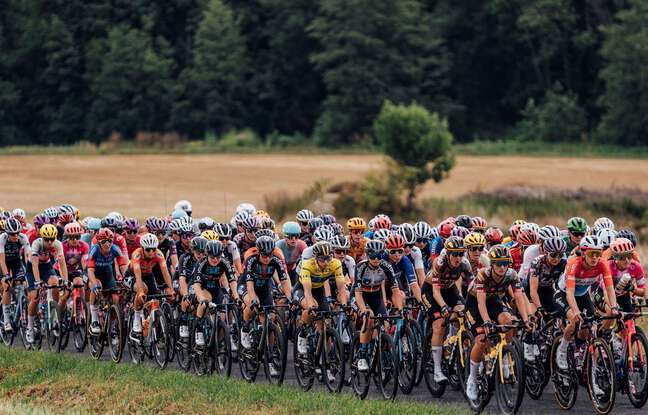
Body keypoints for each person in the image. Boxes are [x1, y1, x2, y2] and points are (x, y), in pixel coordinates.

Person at [465, 245, 531, 401]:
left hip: (494, 300)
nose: (502, 267)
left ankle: (504, 356)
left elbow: (519, 298)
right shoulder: (483, 275)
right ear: (492, 264)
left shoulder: (512, 274)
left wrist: (526, 319)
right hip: (474, 303)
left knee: (509, 322)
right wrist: (487, 321)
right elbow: (481, 303)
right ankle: (472, 379)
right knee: (481, 340)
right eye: (498, 264)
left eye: (505, 264)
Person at [553, 236, 619, 371]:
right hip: (563, 294)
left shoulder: (602, 264)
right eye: (591, 254)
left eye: (598, 254)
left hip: (582, 295)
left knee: (588, 326)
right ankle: (563, 348)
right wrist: (576, 312)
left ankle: (581, 350)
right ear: (583, 253)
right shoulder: (574, 264)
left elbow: (609, 288)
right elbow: (569, 293)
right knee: (574, 320)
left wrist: (613, 307)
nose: (595, 258)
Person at [421, 236, 472, 383]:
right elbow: (436, 292)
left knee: (463, 313)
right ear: (448, 254)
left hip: (449, 289)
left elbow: (473, 285)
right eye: (455, 254)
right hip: (431, 291)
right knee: (439, 323)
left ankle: (453, 342)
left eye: (461, 253)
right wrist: (443, 307)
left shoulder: (465, 264)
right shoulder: (439, 263)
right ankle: (437, 370)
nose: (458, 257)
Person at [294, 241, 348, 354]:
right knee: (312, 307)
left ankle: (323, 354)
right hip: (302, 290)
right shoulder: (307, 265)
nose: (326, 262)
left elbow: (342, 288)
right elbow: (307, 292)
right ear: (316, 258)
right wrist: (311, 306)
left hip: (319, 290)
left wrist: (344, 306)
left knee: (325, 323)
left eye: (328, 258)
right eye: (322, 259)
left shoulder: (336, 263)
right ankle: (302, 335)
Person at [353, 240, 399, 371]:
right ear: (367, 255)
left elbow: (395, 291)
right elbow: (358, 295)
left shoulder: (386, 266)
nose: (376, 259)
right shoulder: (361, 267)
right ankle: (361, 355)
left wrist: (400, 309)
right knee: (369, 318)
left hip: (376, 297)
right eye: (373, 256)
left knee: (385, 324)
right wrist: (364, 310)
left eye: (379, 256)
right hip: (361, 296)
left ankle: (378, 352)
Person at [239, 236, 292, 350]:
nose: (267, 258)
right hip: (246, 286)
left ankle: (270, 351)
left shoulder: (276, 260)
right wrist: (253, 298)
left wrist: (290, 299)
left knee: (270, 318)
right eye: (264, 255)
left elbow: (284, 281)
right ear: (258, 252)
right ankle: (245, 327)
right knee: (252, 304)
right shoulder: (251, 260)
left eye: (270, 255)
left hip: (263, 288)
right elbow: (249, 284)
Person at [25, 224, 69, 343]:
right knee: (35, 297)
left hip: (46, 266)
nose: (50, 242)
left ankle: (54, 316)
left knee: (55, 283)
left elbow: (62, 263)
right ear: (42, 237)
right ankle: (29, 327)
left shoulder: (57, 244)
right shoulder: (36, 244)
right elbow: (34, 265)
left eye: (52, 239)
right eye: (47, 239)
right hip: (32, 269)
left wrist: (65, 280)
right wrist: (38, 282)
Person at [128, 233, 175, 339]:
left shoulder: (158, 254)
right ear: (142, 248)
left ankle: (149, 322)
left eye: (153, 249)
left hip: (148, 275)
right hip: (133, 275)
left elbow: (165, 273)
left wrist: (171, 290)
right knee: (143, 289)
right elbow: (138, 275)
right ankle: (136, 321)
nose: (151, 252)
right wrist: (140, 292)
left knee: (156, 301)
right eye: (148, 250)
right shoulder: (137, 254)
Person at [191, 240, 237, 346]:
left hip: (215, 288)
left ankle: (218, 344)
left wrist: (236, 296)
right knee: (205, 300)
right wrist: (201, 298)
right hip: (201, 287)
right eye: (212, 257)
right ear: (207, 254)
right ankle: (198, 329)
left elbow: (232, 281)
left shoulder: (225, 262)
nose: (215, 260)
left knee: (221, 317)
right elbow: (196, 285)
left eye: (218, 257)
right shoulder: (201, 263)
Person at [87, 228, 127, 334]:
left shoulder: (115, 249)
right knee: (97, 288)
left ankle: (112, 326)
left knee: (115, 298)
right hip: (94, 273)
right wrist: (94, 284)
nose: (107, 244)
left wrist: (126, 279)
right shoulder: (94, 250)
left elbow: (123, 267)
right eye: (104, 241)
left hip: (107, 273)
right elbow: (90, 271)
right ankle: (94, 321)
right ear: (99, 242)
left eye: (110, 241)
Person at [1, 218, 31, 332]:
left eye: (18, 232)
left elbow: (28, 255)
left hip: (16, 262)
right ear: (7, 233)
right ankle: (7, 321)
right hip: (3, 262)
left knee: (26, 284)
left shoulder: (23, 237)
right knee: (7, 286)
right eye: (13, 234)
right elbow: (2, 261)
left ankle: (26, 311)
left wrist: (29, 273)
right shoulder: (2, 239)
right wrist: (6, 275)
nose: (16, 236)